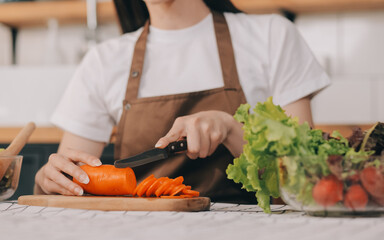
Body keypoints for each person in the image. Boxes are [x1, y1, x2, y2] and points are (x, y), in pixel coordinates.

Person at [34, 0, 330, 202]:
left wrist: (231, 129)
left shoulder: (273, 38)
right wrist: (51, 180)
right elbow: (66, 182)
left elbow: (306, 182)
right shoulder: (103, 61)